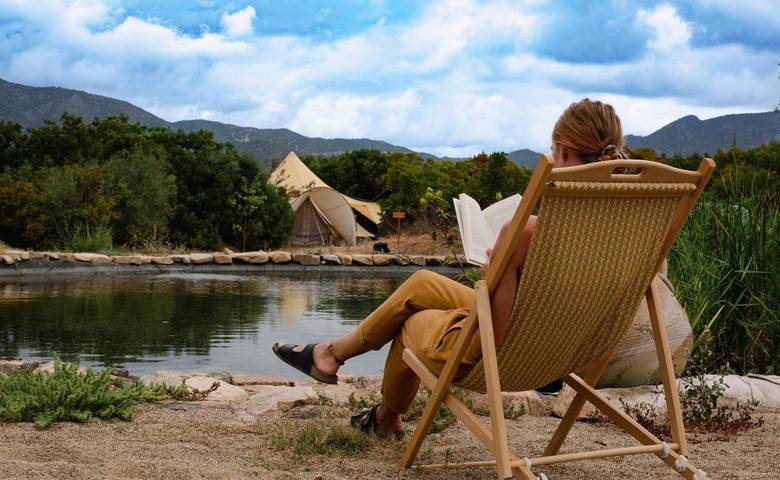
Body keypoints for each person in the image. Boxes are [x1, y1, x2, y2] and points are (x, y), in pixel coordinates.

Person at [272, 98, 628, 436]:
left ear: (561, 153)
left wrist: (493, 274)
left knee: (408, 323)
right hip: (565, 349)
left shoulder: (529, 233)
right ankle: (330, 354)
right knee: (423, 283)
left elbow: (494, 337)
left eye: (552, 150)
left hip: (506, 352)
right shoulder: (631, 233)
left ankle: (384, 416)